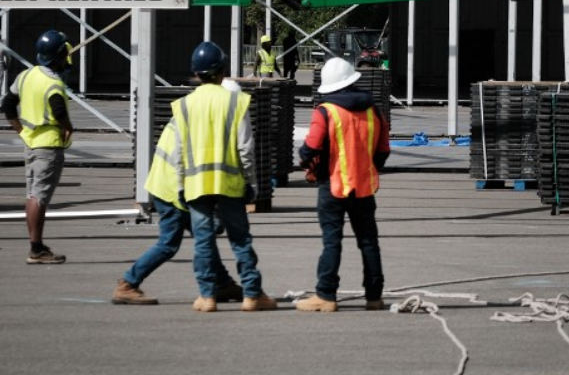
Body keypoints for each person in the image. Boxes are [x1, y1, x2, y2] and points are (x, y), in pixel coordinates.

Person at [112, 87, 243, 305]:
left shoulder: (195, 112)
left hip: (167, 184)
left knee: (204, 238)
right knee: (169, 244)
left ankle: (223, 283)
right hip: (174, 191)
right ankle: (128, 283)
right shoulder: (204, 123)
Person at [174, 41, 276, 313]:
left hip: (196, 185)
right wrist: (251, 183)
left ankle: (207, 296)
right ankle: (252, 295)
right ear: (222, 71)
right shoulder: (235, 101)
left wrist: (180, 185)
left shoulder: (184, 105)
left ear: (195, 73)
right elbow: (245, 148)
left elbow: (178, 151)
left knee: (203, 242)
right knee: (240, 241)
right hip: (230, 184)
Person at [294, 58, 391, 313]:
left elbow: (310, 147)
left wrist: (307, 162)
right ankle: (374, 297)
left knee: (332, 241)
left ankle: (326, 295)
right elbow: (383, 150)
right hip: (364, 187)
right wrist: (367, 168)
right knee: (369, 242)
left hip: (333, 186)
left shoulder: (325, 111)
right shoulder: (373, 111)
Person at [2, 30, 74, 265]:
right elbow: (58, 110)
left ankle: (37, 245)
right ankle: (35, 248)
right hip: (49, 146)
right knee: (39, 197)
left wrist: (21, 130)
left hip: (30, 143)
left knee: (32, 195)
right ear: (60, 55)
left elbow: (8, 104)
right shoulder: (53, 84)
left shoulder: (25, 76)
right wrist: (68, 127)